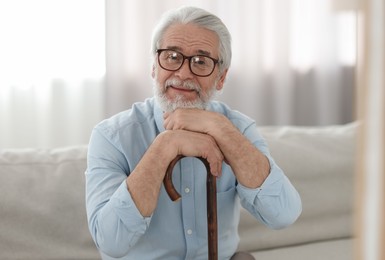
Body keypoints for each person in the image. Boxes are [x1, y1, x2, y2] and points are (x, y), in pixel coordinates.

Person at [86, 6, 302, 260]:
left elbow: (283, 215)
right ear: (154, 67)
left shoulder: (238, 129)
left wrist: (222, 130)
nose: (183, 73)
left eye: (201, 62)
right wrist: (164, 147)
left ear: (221, 78)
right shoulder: (111, 137)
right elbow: (110, 241)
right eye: (172, 56)